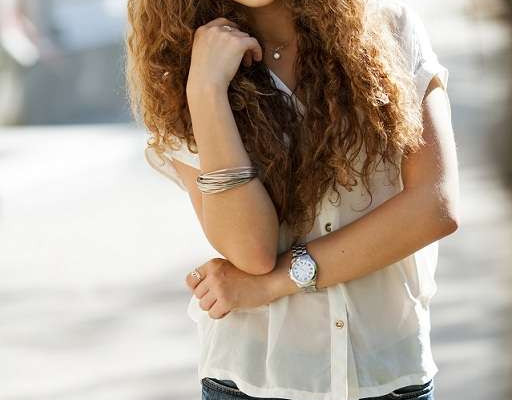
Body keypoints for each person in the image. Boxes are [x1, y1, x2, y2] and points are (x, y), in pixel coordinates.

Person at [125, 0, 459, 399]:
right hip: (254, 380)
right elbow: (252, 251)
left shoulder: (390, 27)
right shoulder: (181, 67)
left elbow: (434, 207)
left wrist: (275, 284)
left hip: (387, 372)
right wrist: (206, 90)